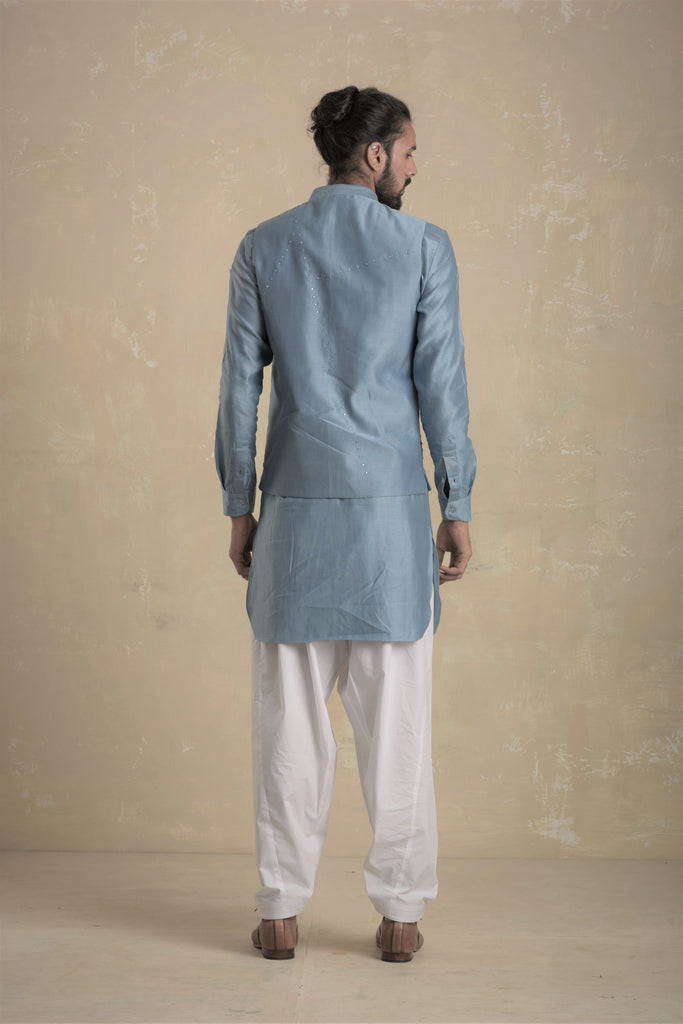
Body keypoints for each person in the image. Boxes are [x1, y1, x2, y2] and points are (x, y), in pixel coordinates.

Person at [214, 85, 476, 963]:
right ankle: (400, 914)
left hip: (293, 519)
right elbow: (442, 389)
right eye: (408, 151)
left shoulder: (263, 245)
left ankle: (280, 911)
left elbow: (238, 392)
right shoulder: (423, 247)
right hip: (390, 523)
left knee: (288, 731)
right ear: (374, 155)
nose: (413, 165)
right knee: (397, 732)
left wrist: (240, 505)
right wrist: (457, 503)